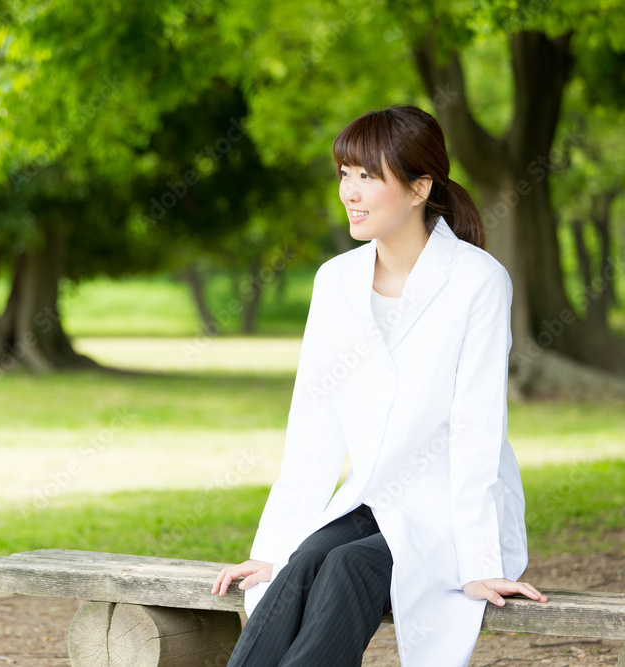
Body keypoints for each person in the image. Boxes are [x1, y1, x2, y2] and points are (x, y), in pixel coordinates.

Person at [210, 105, 548, 667]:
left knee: (347, 566)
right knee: (306, 559)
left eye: (368, 175)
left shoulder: (478, 282)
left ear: (420, 188)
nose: (349, 191)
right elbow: (314, 427)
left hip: (450, 511)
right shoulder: (336, 281)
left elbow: (476, 430)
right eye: (345, 173)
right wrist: (271, 550)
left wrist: (481, 560)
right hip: (374, 497)